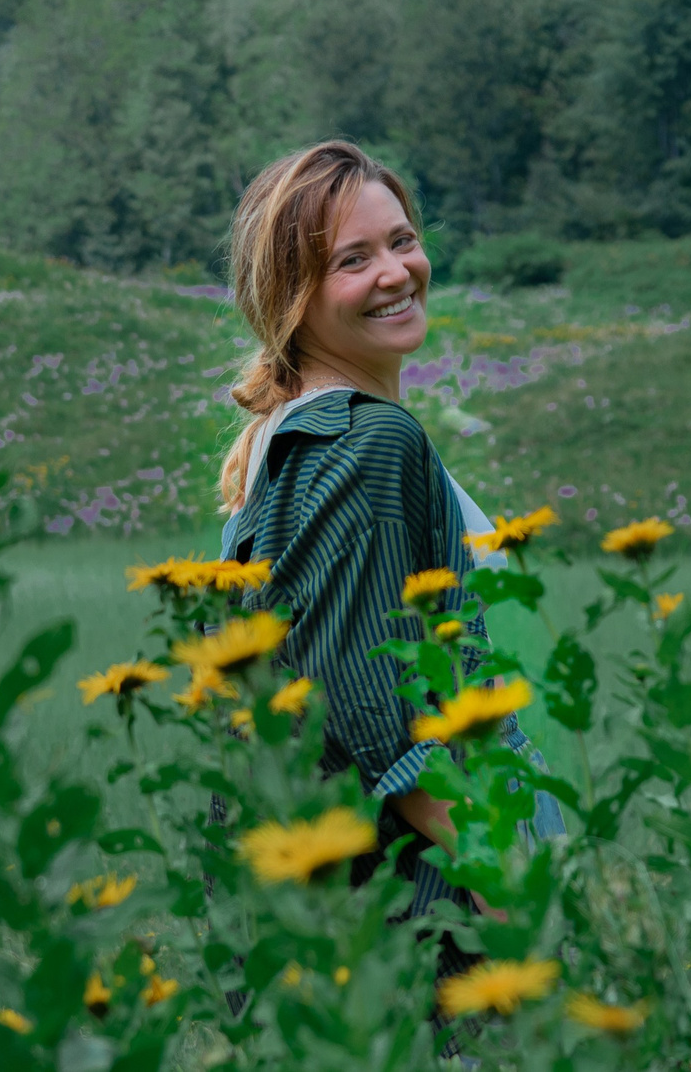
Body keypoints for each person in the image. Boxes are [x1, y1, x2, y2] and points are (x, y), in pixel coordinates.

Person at [214, 140, 562, 960]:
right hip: (424, 918)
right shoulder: (362, 443)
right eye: (352, 259)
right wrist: (501, 885)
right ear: (294, 296)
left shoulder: (295, 437)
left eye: (402, 240)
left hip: (350, 922)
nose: (396, 272)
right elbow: (371, 704)